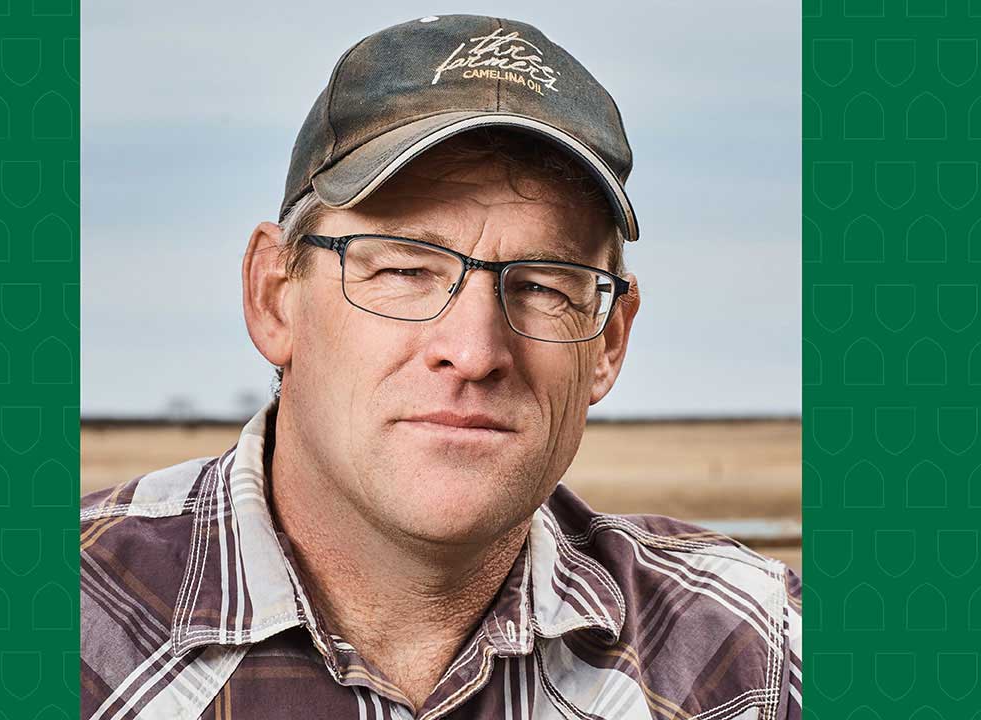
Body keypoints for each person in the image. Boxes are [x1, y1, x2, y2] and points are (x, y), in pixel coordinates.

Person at [80, 14, 801, 720]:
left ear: (608, 342)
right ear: (274, 297)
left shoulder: (755, 656)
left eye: (543, 286)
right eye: (404, 270)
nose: (476, 352)